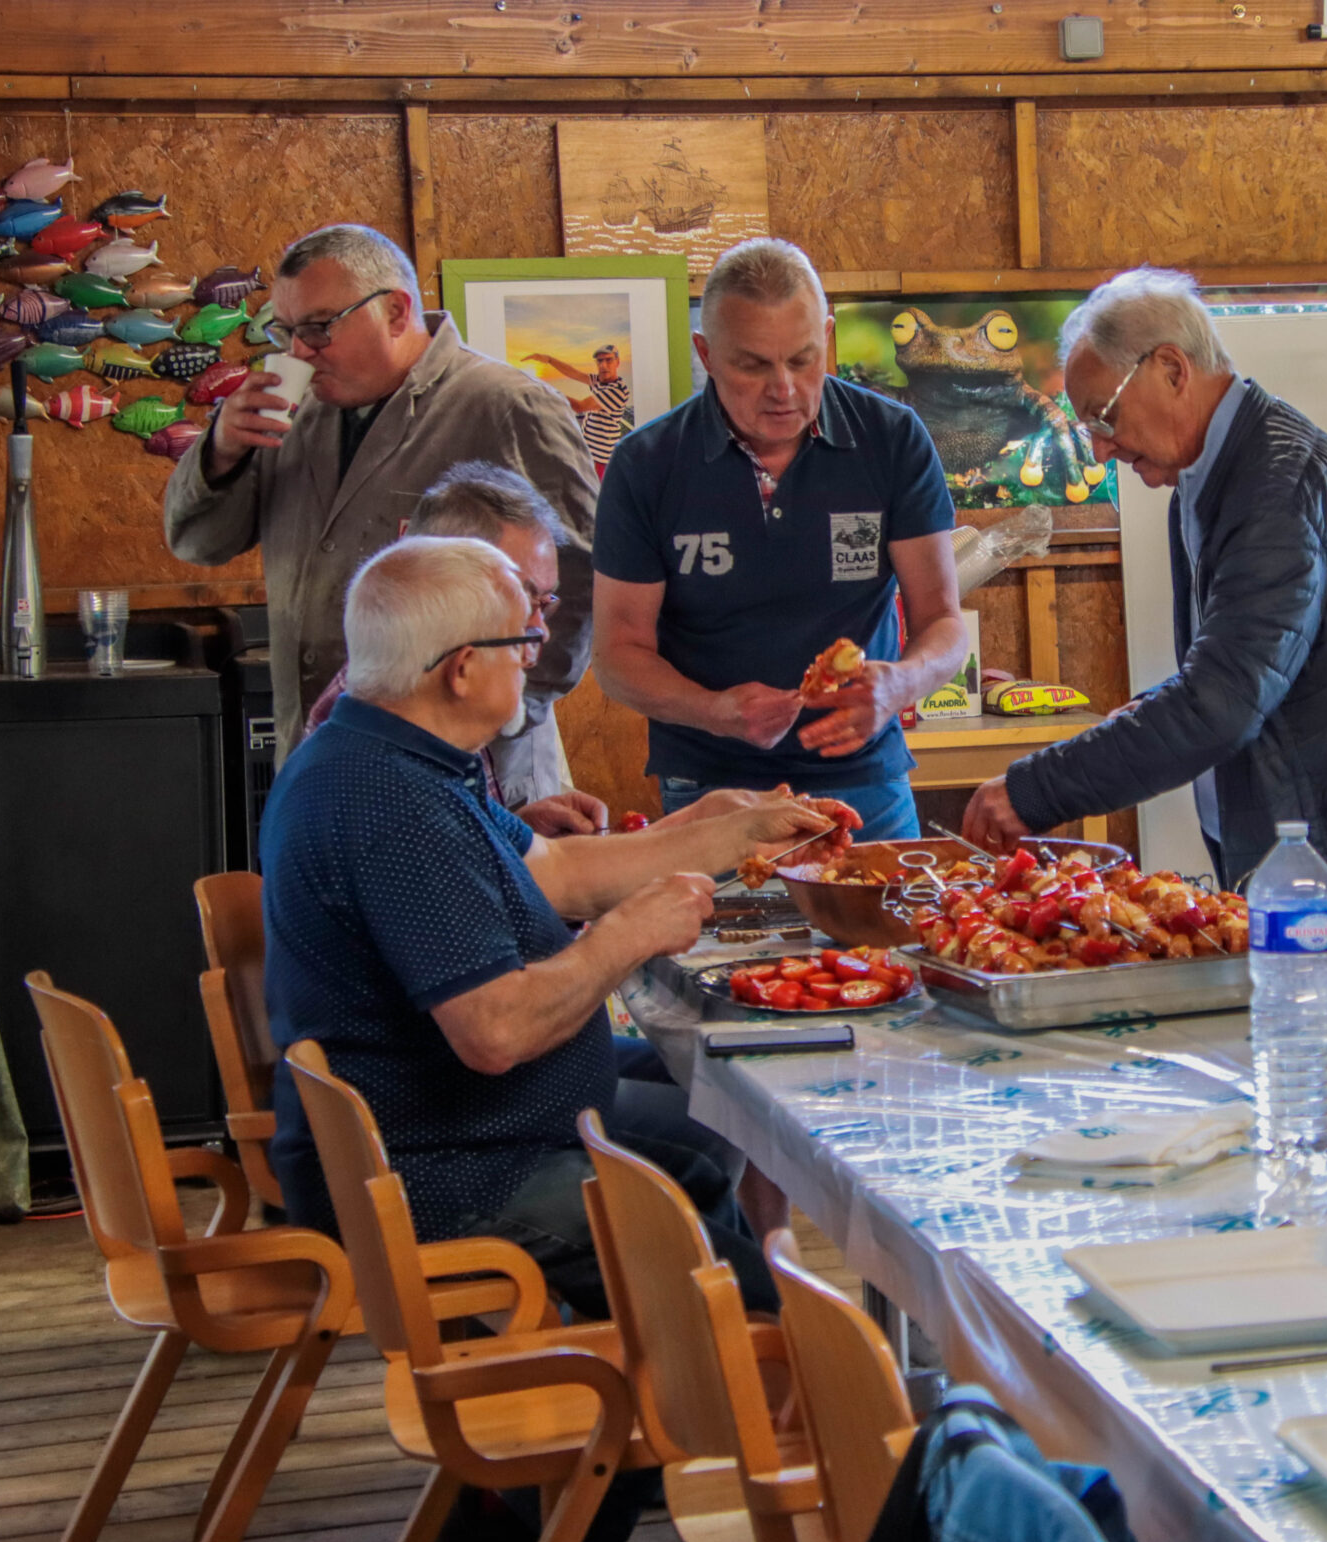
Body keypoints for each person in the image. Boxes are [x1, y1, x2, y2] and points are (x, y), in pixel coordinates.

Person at [261, 534, 850, 1321]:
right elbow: (496, 1031)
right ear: (461, 668)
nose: (534, 654)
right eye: (522, 639)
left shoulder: (390, 751)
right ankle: (747, 1360)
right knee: (759, 1299)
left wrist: (738, 832)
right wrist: (629, 934)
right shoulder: (394, 809)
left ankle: (681, 1382)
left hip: (458, 1131)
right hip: (437, 1176)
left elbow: (561, 869)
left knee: (701, 1166)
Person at [960, 268, 1327, 1008]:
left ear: (1172, 369)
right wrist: (1150, 710)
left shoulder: (1274, 487)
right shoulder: (1209, 471)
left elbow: (1222, 703)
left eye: (1103, 417)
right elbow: (1245, 664)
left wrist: (1035, 790)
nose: (1101, 449)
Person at [164, 223, 599, 806]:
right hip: (319, 759)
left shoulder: (505, 405)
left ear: (396, 311)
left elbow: (581, 581)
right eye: (285, 331)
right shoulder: (293, 414)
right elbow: (197, 545)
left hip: (466, 772)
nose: (298, 352)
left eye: (319, 327)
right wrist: (220, 453)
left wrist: (511, 711)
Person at [591, 238, 967, 841]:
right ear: (706, 355)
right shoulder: (646, 463)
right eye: (753, 365)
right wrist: (716, 711)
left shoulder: (892, 439)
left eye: (802, 359)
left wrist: (901, 684)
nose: (783, 389)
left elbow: (944, 624)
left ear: (827, 338)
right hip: (711, 787)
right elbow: (617, 656)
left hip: (865, 781)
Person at [302, 460, 608, 837]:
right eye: (519, 597)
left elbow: (462, 849)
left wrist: (518, 830)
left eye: (545, 602)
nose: (539, 633)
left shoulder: (434, 703)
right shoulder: (386, 755)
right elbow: (445, 862)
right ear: (438, 580)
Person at [525, 342, 634, 476]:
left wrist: (545, 390)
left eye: (609, 360)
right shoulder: (600, 381)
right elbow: (574, 373)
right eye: (600, 361)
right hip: (590, 453)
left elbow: (580, 407)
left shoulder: (616, 391)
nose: (603, 365)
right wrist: (549, 359)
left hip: (600, 460)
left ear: (617, 362)